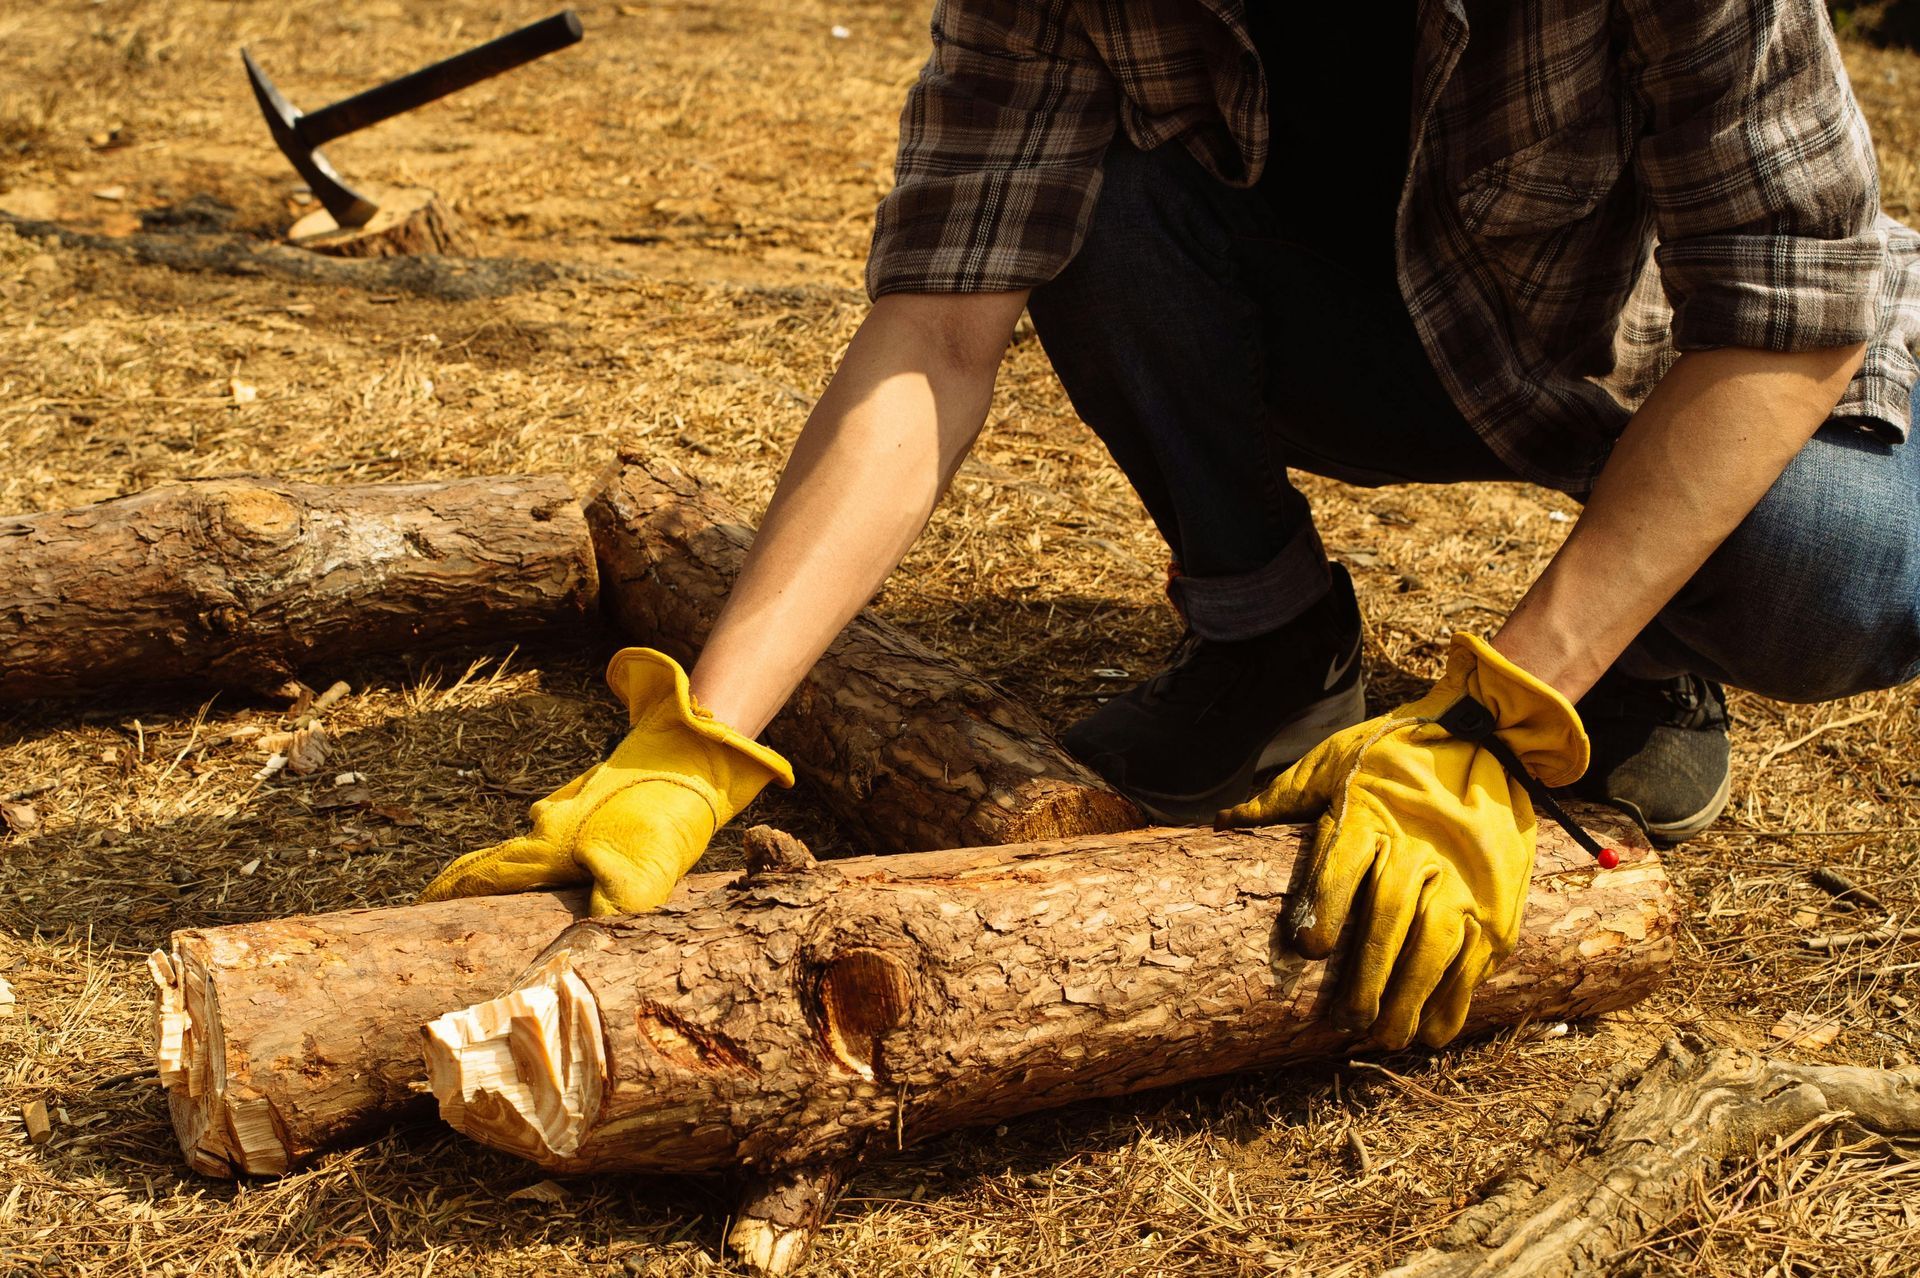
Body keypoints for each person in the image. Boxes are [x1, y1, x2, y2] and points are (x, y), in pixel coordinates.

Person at [422, 1, 1920, 1051]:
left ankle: (1630, 656)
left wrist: (1503, 710)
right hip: (1374, 332)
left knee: (1835, 564)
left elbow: (1786, 310)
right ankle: (1269, 642)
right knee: (1087, 210)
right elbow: (940, 322)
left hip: (1667, 356)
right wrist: (702, 736)